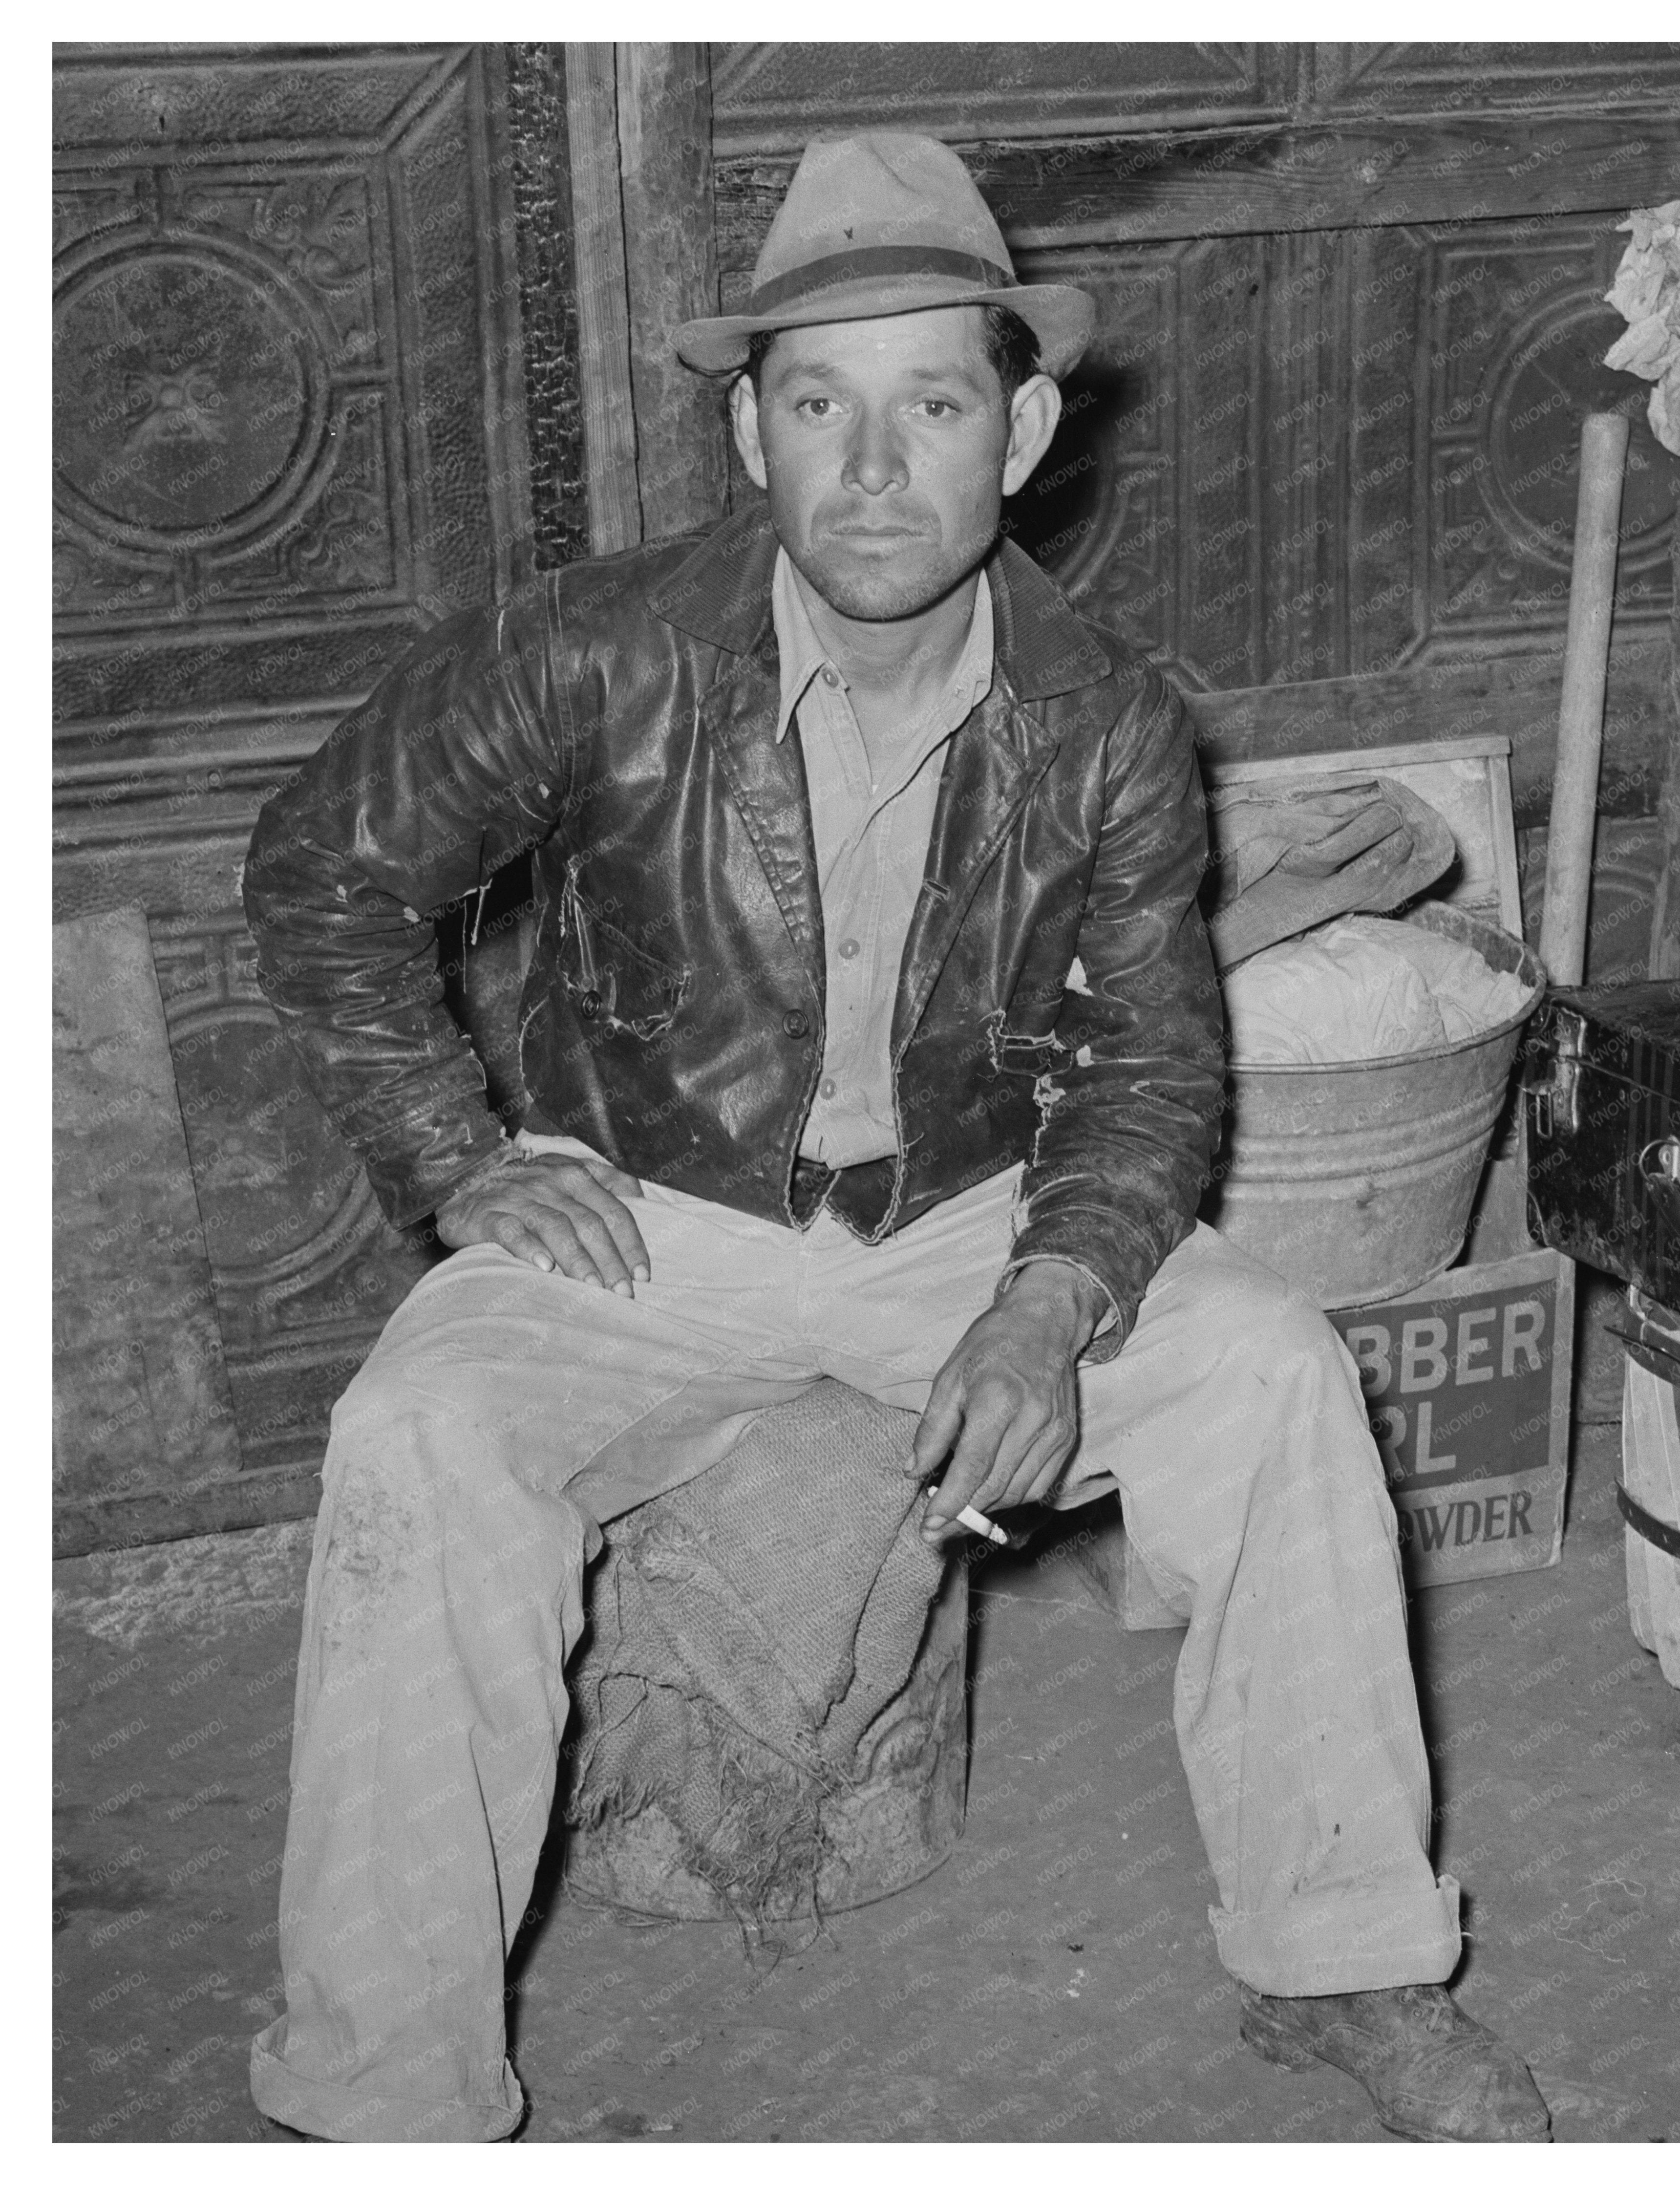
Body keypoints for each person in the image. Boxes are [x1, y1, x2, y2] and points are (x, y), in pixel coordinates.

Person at [240, 130, 1549, 2145]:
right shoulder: (593, 650)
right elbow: (326, 863)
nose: (869, 469)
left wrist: (1051, 1297)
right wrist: (456, 1150)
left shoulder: (1105, 714)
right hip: (650, 1217)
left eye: (930, 406)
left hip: (966, 1215)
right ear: (747, 430)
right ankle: (384, 2098)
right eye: (817, 405)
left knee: (1276, 1376)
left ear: (1018, 433)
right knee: (415, 1439)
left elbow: (1149, 1059)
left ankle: (1343, 1959)